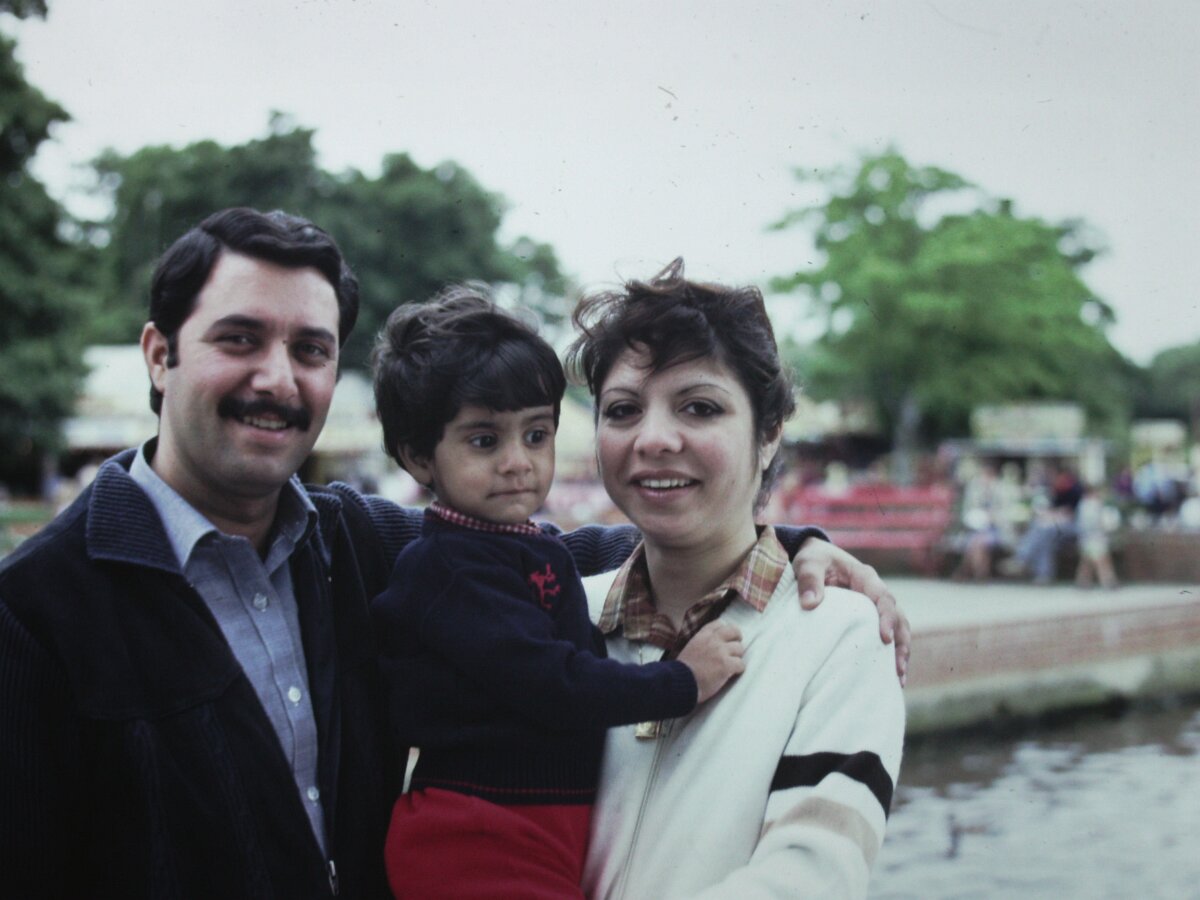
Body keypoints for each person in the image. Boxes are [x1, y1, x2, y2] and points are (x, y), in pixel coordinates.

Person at [0, 207, 907, 900]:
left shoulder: (360, 544)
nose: (277, 377)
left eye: (311, 349)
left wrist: (784, 542)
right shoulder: (33, 610)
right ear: (159, 355)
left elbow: (565, 551)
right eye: (239, 338)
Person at [370, 288, 746, 898]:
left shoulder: (525, 547)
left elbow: (634, 552)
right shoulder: (445, 570)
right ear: (418, 457)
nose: (518, 462)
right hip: (474, 835)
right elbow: (553, 683)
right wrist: (683, 681)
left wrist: (790, 542)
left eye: (537, 434)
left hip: (533, 825)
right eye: (484, 441)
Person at [566, 259, 906, 898]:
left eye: (699, 407)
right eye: (623, 410)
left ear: (770, 433)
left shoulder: (842, 634)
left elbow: (811, 875)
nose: (654, 438)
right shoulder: (559, 614)